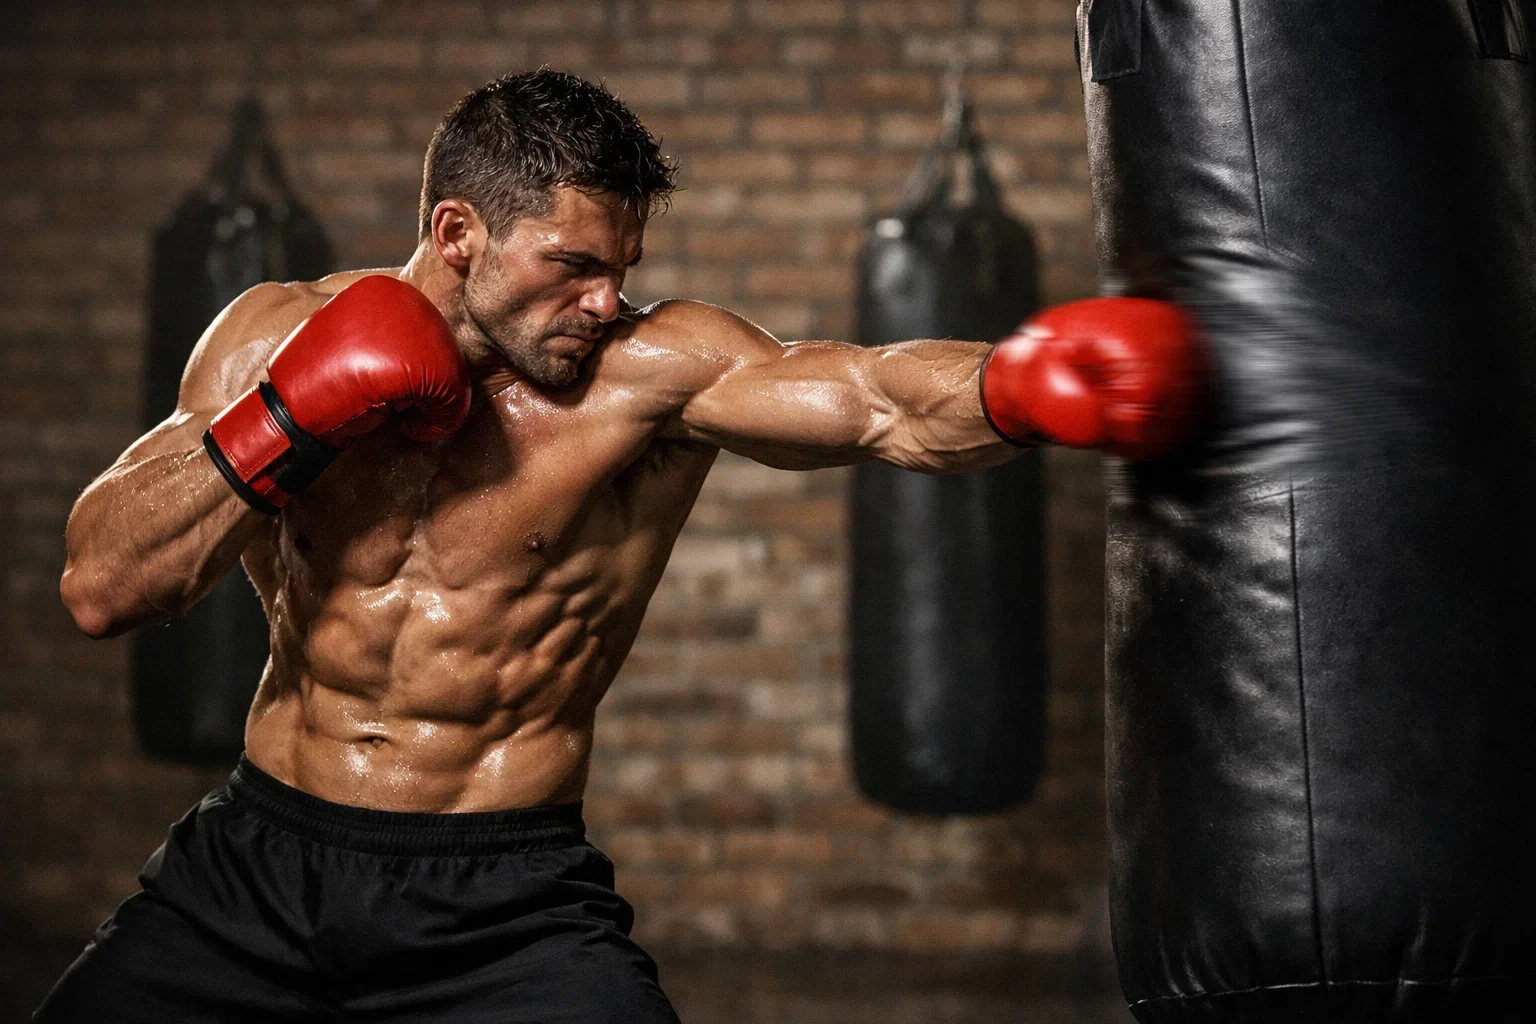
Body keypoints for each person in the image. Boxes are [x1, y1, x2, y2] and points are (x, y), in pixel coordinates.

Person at [41, 70, 1201, 1022]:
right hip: (256, 864)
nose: (607, 303)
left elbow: (870, 398)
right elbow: (103, 581)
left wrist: (1015, 384)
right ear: (458, 233)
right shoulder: (271, 337)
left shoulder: (647, 377)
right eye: (575, 267)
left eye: (623, 271)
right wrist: (293, 411)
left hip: (502, 903)